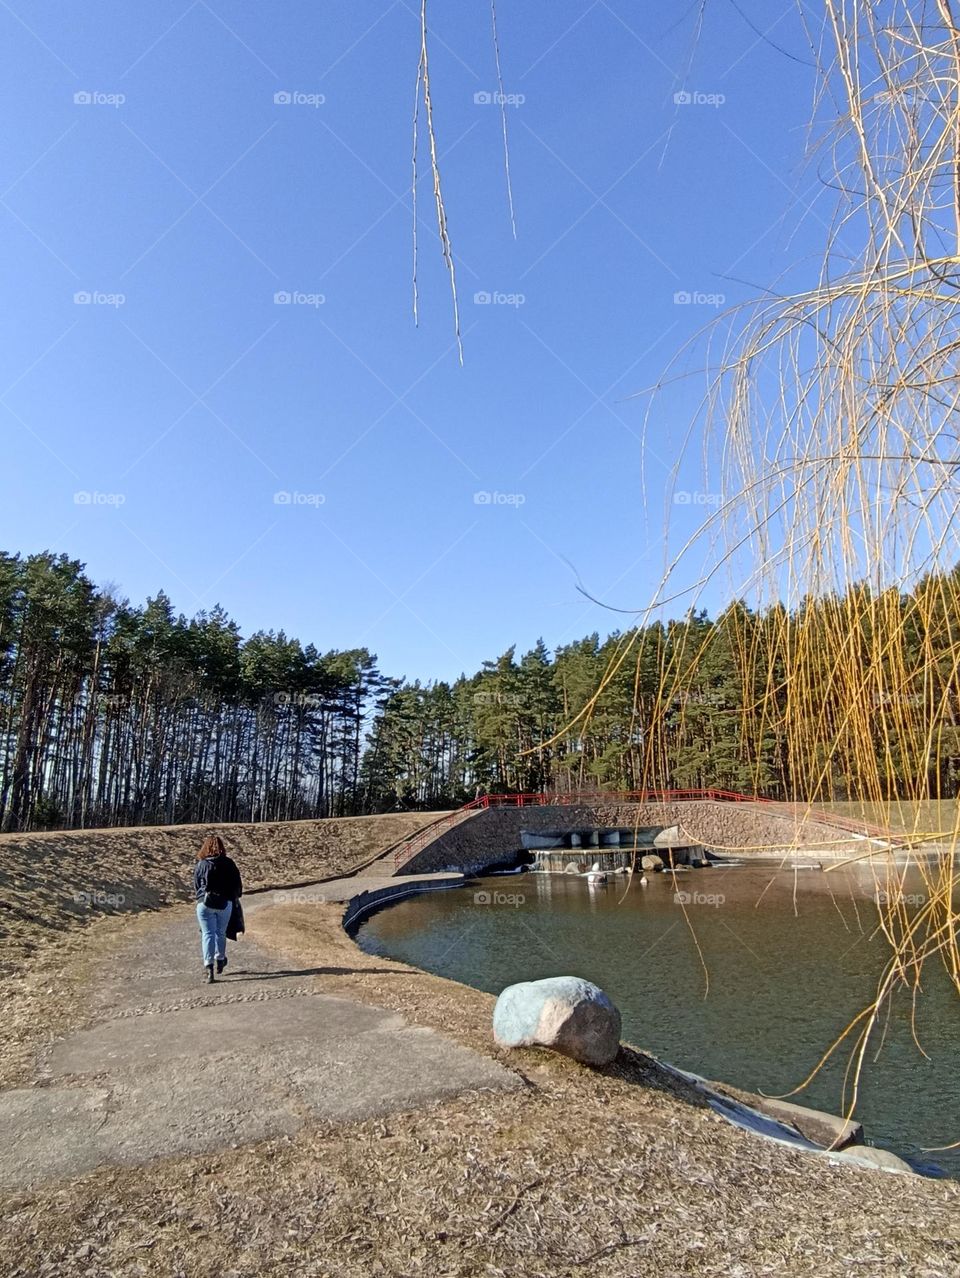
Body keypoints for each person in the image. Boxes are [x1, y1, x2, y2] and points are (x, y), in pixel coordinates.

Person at [194, 834, 243, 984]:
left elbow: (196, 885)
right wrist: (234, 896)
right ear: (222, 847)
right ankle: (220, 960)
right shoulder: (229, 863)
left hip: (204, 903)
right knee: (220, 933)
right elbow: (237, 885)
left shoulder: (201, 864)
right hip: (225, 902)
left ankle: (209, 968)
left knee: (207, 934)